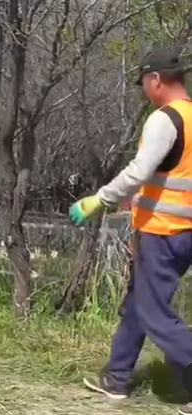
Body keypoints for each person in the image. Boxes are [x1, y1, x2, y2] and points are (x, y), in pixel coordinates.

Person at [69, 47, 192, 415]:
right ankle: (117, 377)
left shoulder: (165, 119)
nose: (144, 91)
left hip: (162, 232)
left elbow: (140, 170)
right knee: (140, 303)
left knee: (154, 313)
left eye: (144, 83)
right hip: (184, 232)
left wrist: (100, 200)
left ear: (156, 79)